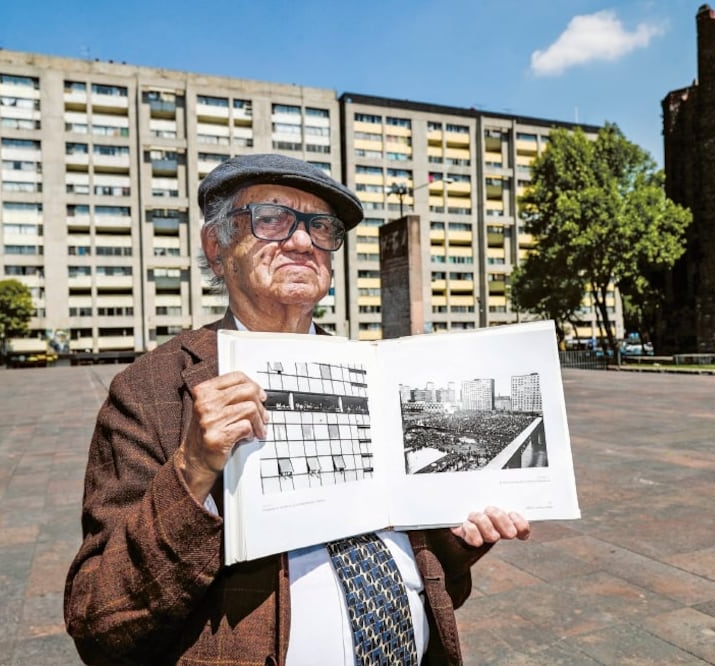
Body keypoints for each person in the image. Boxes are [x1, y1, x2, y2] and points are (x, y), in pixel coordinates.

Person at [64, 153, 531, 665]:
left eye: (321, 226)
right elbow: (99, 623)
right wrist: (191, 471)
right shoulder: (150, 389)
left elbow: (439, 584)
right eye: (271, 218)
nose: (303, 241)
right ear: (217, 247)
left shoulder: (373, 370)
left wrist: (457, 544)